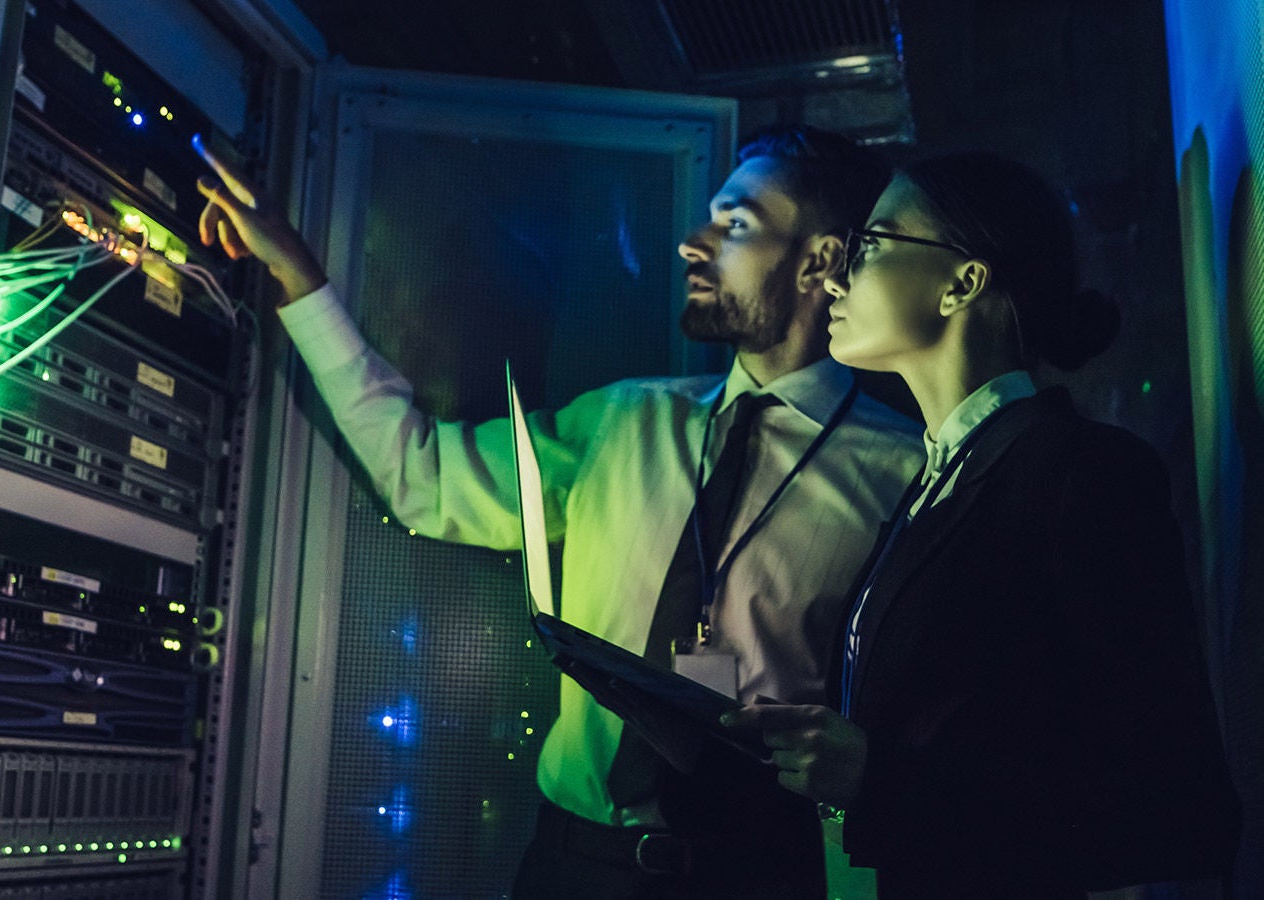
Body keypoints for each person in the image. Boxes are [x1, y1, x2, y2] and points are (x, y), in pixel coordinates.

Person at [196, 128, 925, 898]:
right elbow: (423, 478)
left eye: (735, 224)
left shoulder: (906, 473)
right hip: (574, 867)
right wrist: (299, 279)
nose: (691, 245)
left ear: (819, 262)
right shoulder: (623, 419)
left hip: (759, 872)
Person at [722, 152, 1241, 897]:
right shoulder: (934, 479)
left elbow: (1185, 815)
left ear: (963, 282)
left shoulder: (1082, 474)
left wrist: (877, 774)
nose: (835, 277)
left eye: (869, 246)